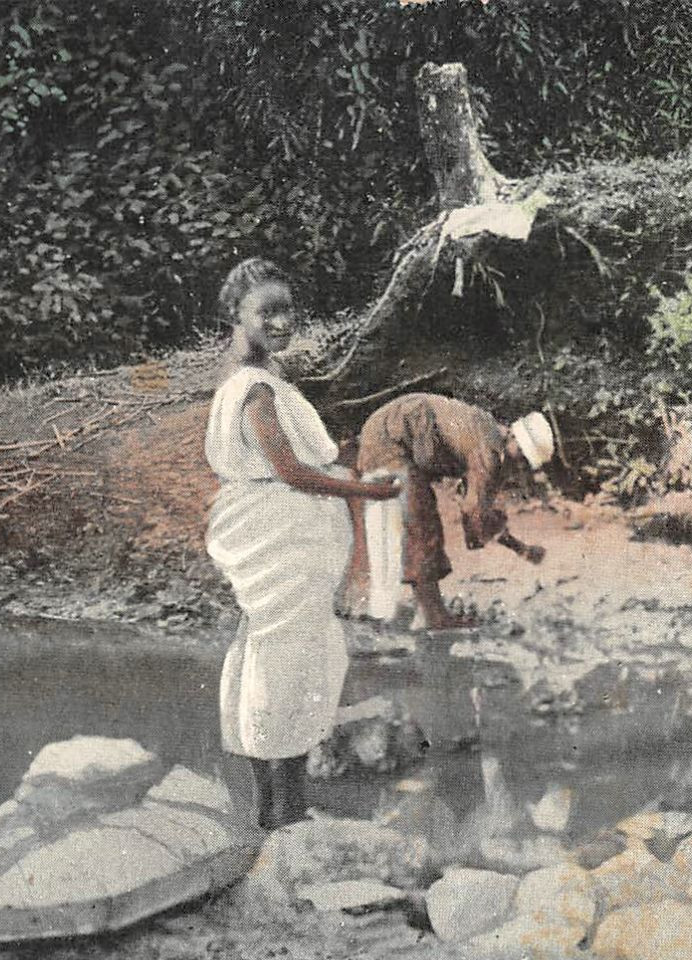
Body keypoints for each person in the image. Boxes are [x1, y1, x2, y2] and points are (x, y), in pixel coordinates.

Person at [204, 258, 402, 830]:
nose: (283, 321)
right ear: (236, 316)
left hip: (279, 532)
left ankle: (274, 809)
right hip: (280, 536)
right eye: (267, 312)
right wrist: (364, 492)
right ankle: (286, 812)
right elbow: (288, 471)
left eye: (287, 309)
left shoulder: (255, 380)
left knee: (273, 654)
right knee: (288, 663)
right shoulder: (256, 389)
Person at [348, 392, 554, 630]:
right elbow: (474, 512)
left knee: (416, 522)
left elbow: (473, 507)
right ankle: (432, 616)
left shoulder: (489, 435)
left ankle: (421, 611)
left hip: (387, 431)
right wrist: (515, 547)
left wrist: (517, 547)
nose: (521, 467)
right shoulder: (489, 452)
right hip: (390, 440)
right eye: (523, 459)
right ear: (515, 441)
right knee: (422, 528)